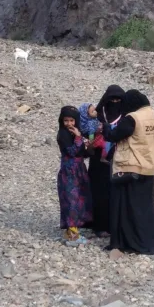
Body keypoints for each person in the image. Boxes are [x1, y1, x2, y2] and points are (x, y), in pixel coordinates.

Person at [103, 89, 154, 255]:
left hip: (130, 168)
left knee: (125, 207)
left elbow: (113, 135)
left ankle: (130, 242)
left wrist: (105, 127)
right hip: (149, 167)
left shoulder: (133, 118)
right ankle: (150, 241)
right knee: (145, 207)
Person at [87, 85, 125, 236]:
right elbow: (87, 133)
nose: (115, 103)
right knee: (98, 191)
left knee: (116, 193)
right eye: (112, 100)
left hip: (118, 159)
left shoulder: (126, 116)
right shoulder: (97, 115)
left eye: (118, 100)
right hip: (98, 160)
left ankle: (114, 225)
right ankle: (99, 225)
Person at [56, 105, 92, 246]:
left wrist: (87, 143)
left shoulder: (75, 133)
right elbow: (72, 151)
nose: (69, 124)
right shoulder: (63, 135)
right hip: (69, 172)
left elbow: (83, 152)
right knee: (71, 201)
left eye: (72, 120)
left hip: (79, 170)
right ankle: (73, 236)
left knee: (79, 199)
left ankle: (71, 231)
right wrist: (78, 138)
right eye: (66, 120)